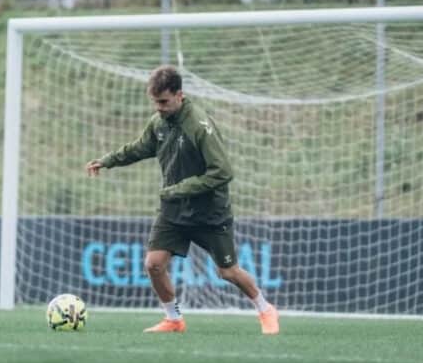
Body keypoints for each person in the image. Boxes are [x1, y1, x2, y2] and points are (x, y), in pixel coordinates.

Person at [86, 65, 279, 335]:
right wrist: (108, 161)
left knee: (228, 272)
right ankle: (174, 319)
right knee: (153, 264)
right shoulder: (158, 123)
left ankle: (265, 309)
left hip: (210, 212)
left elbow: (223, 172)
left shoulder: (199, 126)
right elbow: (140, 147)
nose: (159, 108)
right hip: (174, 209)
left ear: (180, 95)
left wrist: (180, 189)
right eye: (155, 103)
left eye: (164, 102)